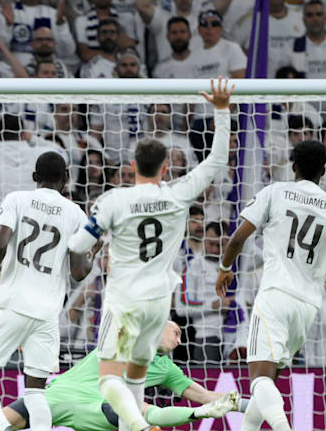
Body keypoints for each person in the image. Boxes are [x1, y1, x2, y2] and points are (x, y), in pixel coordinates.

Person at [67, 77, 234, 431]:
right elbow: (218, 159)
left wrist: (96, 245)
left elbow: (77, 246)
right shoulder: (178, 193)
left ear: (132, 166)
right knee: (136, 382)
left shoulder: (114, 200)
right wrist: (221, 110)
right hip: (158, 303)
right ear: (165, 168)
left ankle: (140, 427)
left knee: (108, 380)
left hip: (124, 299)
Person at [215, 140, 326, 431]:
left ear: (293, 166)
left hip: (275, 296)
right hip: (307, 307)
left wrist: (224, 268)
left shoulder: (274, 192)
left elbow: (237, 238)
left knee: (259, 380)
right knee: (267, 385)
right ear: (323, 171)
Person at [0, 152, 93, 431]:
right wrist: (93, 253)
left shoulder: (16, 199)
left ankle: (2, 428)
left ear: (34, 176)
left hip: (10, 304)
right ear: (66, 179)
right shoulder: (76, 214)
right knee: (36, 393)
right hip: (47, 313)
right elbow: (78, 272)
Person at [0, 322, 241, 431]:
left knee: (141, 412)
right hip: (56, 395)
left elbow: (205, 395)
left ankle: (196, 414)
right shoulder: (128, 336)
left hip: (97, 406)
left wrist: (244, 403)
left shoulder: (166, 368)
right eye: (176, 333)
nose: (179, 341)